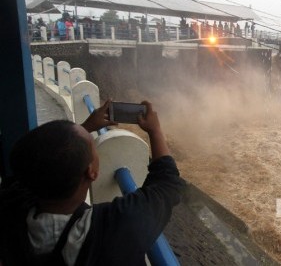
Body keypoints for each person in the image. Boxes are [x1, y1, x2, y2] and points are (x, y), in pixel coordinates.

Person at [0, 100, 185, 265]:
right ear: (92, 172)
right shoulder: (115, 227)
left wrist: (86, 127)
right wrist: (155, 130)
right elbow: (168, 183)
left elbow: (36, 159)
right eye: (92, 147)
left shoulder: (11, 205)